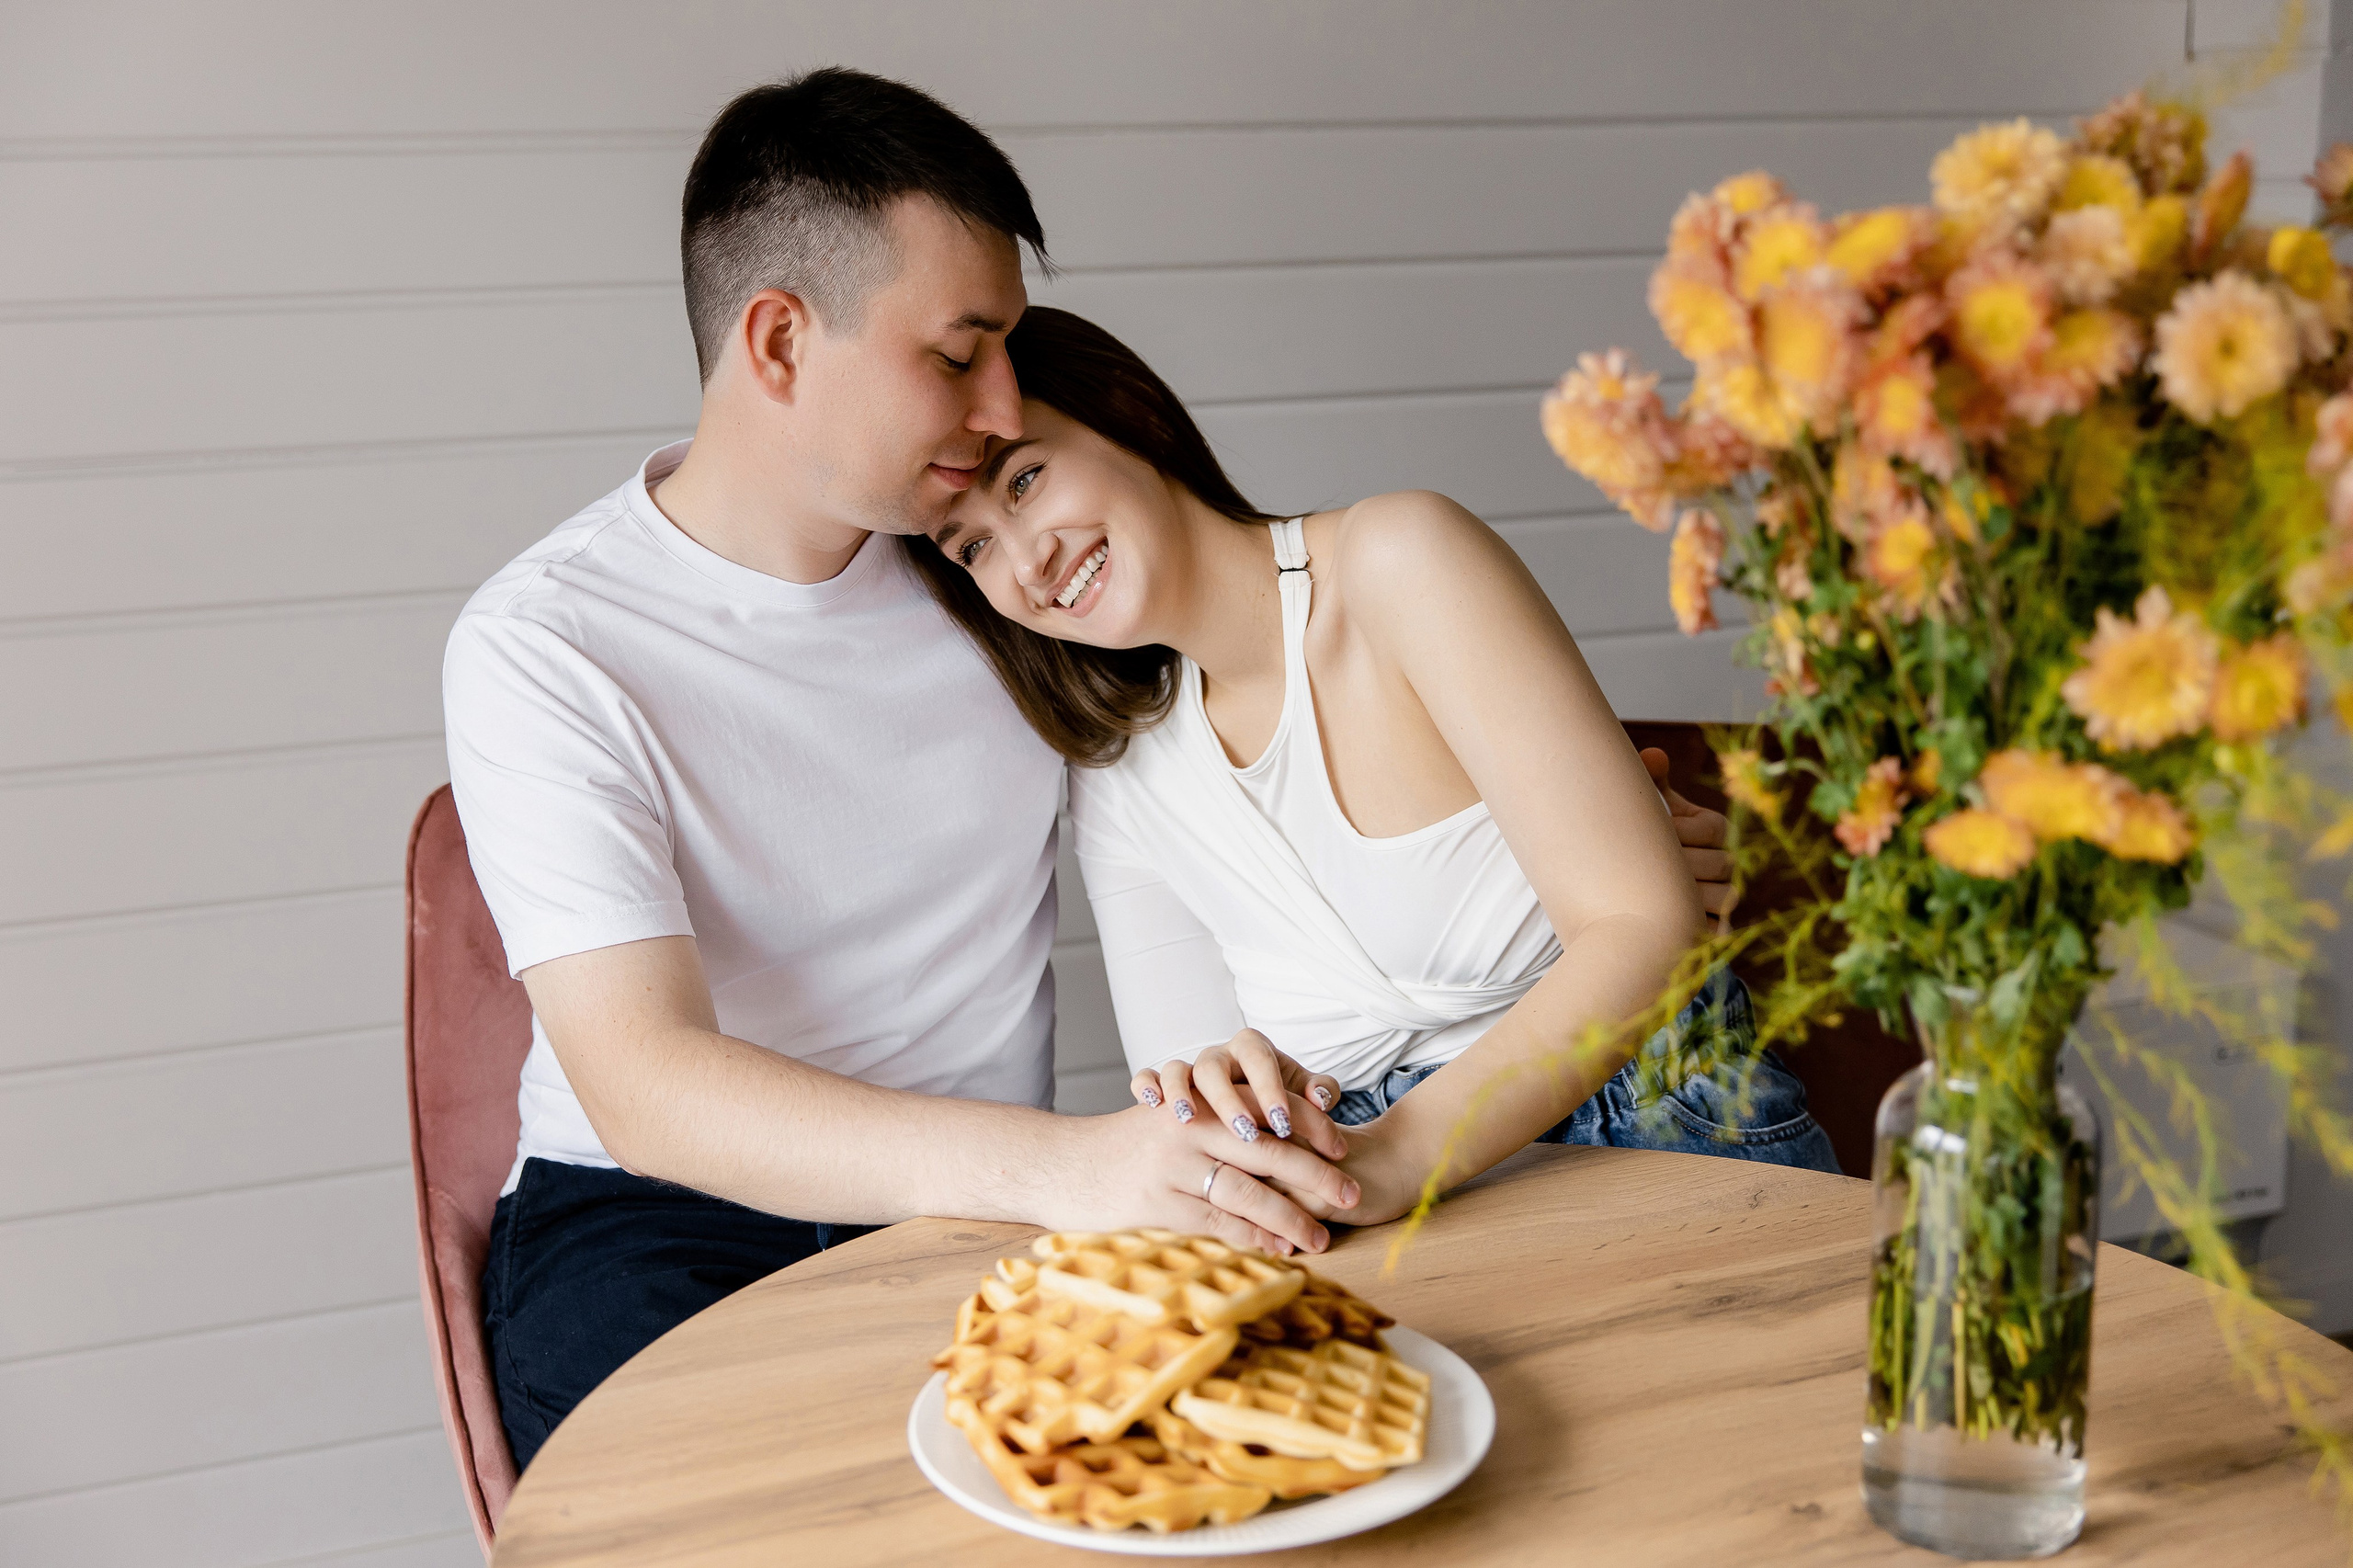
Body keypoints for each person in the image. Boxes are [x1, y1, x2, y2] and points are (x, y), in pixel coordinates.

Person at [441, 69, 1738, 1470]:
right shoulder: (550, 641)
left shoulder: (997, 594)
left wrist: (1587, 866)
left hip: (986, 1212)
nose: (1004, 404)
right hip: (660, 1216)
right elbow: (648, 1085)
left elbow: (1264, 718)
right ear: (777, 342)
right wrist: (1079, 1170)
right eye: (959, 352)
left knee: (1178, 1471)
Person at [910, 308, 1839, 1227]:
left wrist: (1398, 1153)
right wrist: (1252, 1118)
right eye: (974, 547)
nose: (1027, 561)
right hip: (1367, 1210)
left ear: (1130, 415)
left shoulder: (1398, 559)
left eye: (1025, 480)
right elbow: (1206, 1108)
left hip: (1662, 1140)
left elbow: (1642, 925)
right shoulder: (1119, 777)